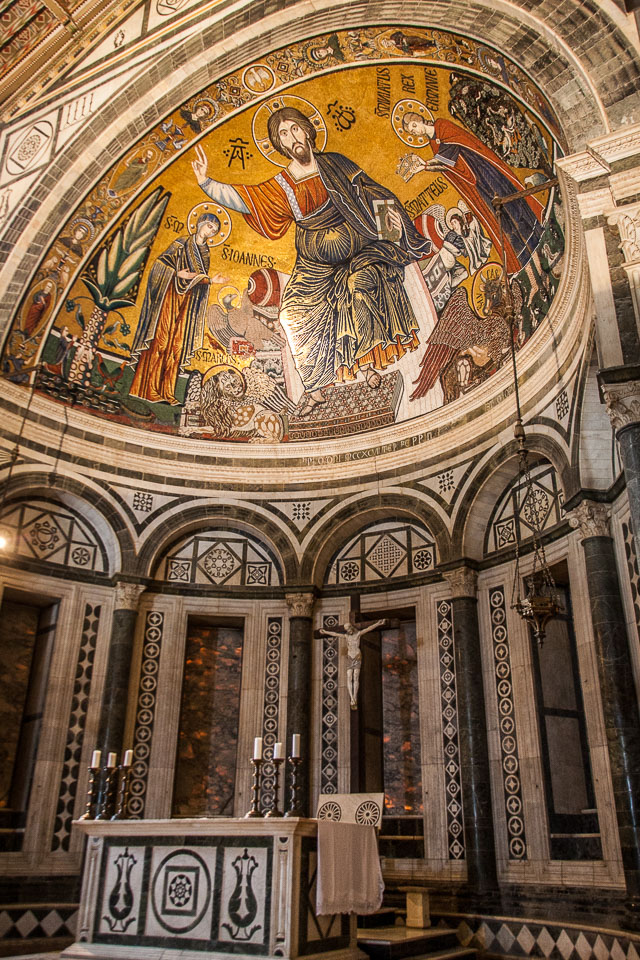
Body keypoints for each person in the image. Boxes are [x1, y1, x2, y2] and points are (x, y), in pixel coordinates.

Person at [192, 107, 434, 416]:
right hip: (315, 262)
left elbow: (373, 192)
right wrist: (207, 184)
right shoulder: (282, 184)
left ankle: (368, 364)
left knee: (358, 285)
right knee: (293, 310)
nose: (292, 138)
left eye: (294, 129)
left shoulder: (335, 163)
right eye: (283, 134)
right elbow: (246, 199)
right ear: (279, 144)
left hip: (361, 245)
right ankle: (315, 389)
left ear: (307, 131)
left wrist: (393, 230)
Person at [398, 110, 545, 273]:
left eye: (414, 126)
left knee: (511, 204)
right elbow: (446, 165)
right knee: (497, 215)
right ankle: (523, 254)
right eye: (412, 132)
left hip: (482, 170)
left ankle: (537, 233)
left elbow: (449, 154)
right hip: (473, 182)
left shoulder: (442, 126)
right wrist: (424, 167)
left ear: (419, 119)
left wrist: (425, 165)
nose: (415, 132)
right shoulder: (433, 144)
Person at [129, 212, 227, 405]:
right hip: (170, 296)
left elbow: (199, 278)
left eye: (214, 231)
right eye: (209, 226)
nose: (210, 232)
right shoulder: (181, 243)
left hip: (188, 302)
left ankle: (167, 391)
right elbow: (159, 265)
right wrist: (176, 273)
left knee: (177, 346)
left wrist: (210, 281)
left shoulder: (205, 253)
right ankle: (149, 389)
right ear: (200, 223)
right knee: (161, 341)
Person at [320, 616, 386, 709]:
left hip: (357, 656)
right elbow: (335, 634)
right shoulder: (346, 636)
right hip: (350, 656)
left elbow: (369, 628)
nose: (348, 630)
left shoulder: (358, 634)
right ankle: (352, 698)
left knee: (355, 676)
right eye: (346, 629)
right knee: (349, 676)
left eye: (348, 628)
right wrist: (325, 632)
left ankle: (355, 696)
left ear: (351, 628)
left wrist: (378, 623)